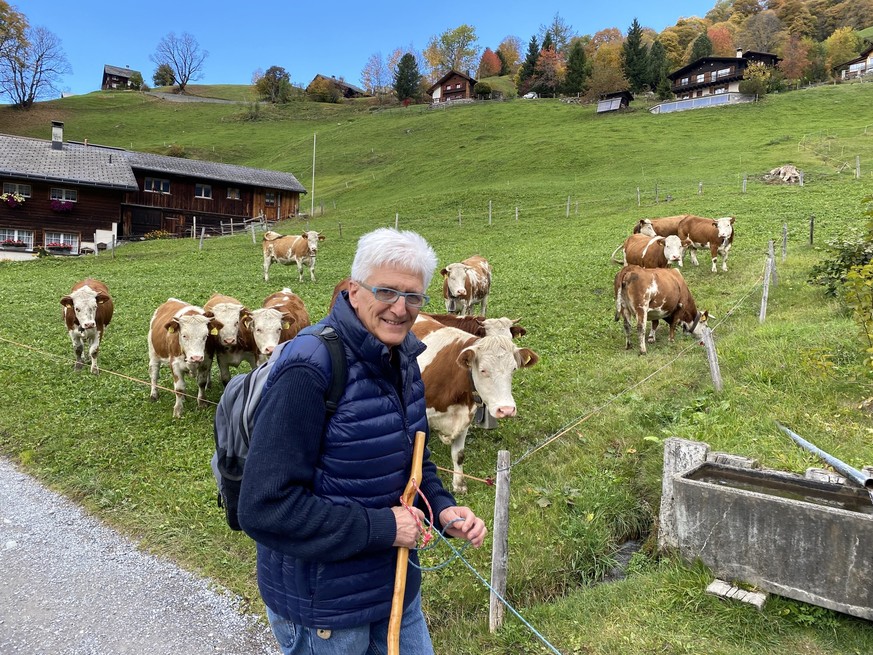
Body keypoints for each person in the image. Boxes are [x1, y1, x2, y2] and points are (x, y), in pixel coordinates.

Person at [238, 227, 487, 655]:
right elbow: (263, 508)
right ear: (354, 291)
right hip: (325, 610)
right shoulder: (309, 367)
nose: (400, 308)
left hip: (395, 589)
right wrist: (385, 526)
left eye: (414, 297)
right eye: (386, 291)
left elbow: (414, 461)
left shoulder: (405, 359)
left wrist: (443, 510)